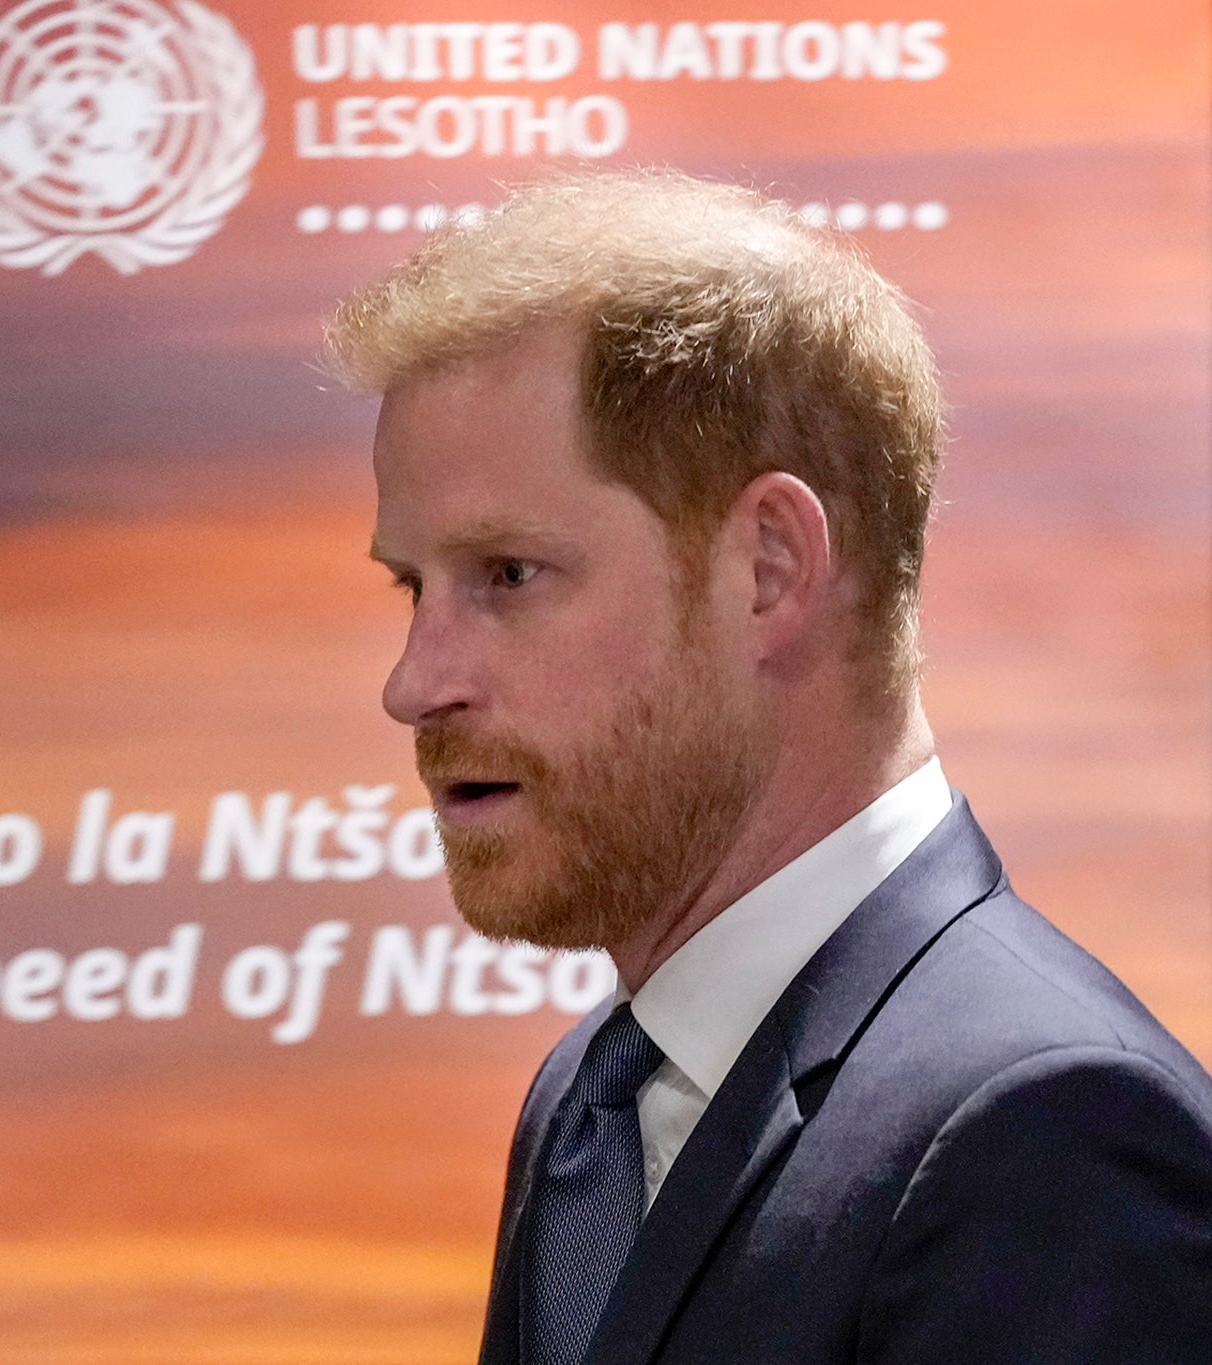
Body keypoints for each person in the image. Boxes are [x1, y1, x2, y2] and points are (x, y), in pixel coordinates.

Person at [326, 168, 1212, 1364]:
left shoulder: (1047, 1132)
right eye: (411, 587)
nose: (413, 683)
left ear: (768, 569)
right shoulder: (589, 1102)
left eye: (507, 575)